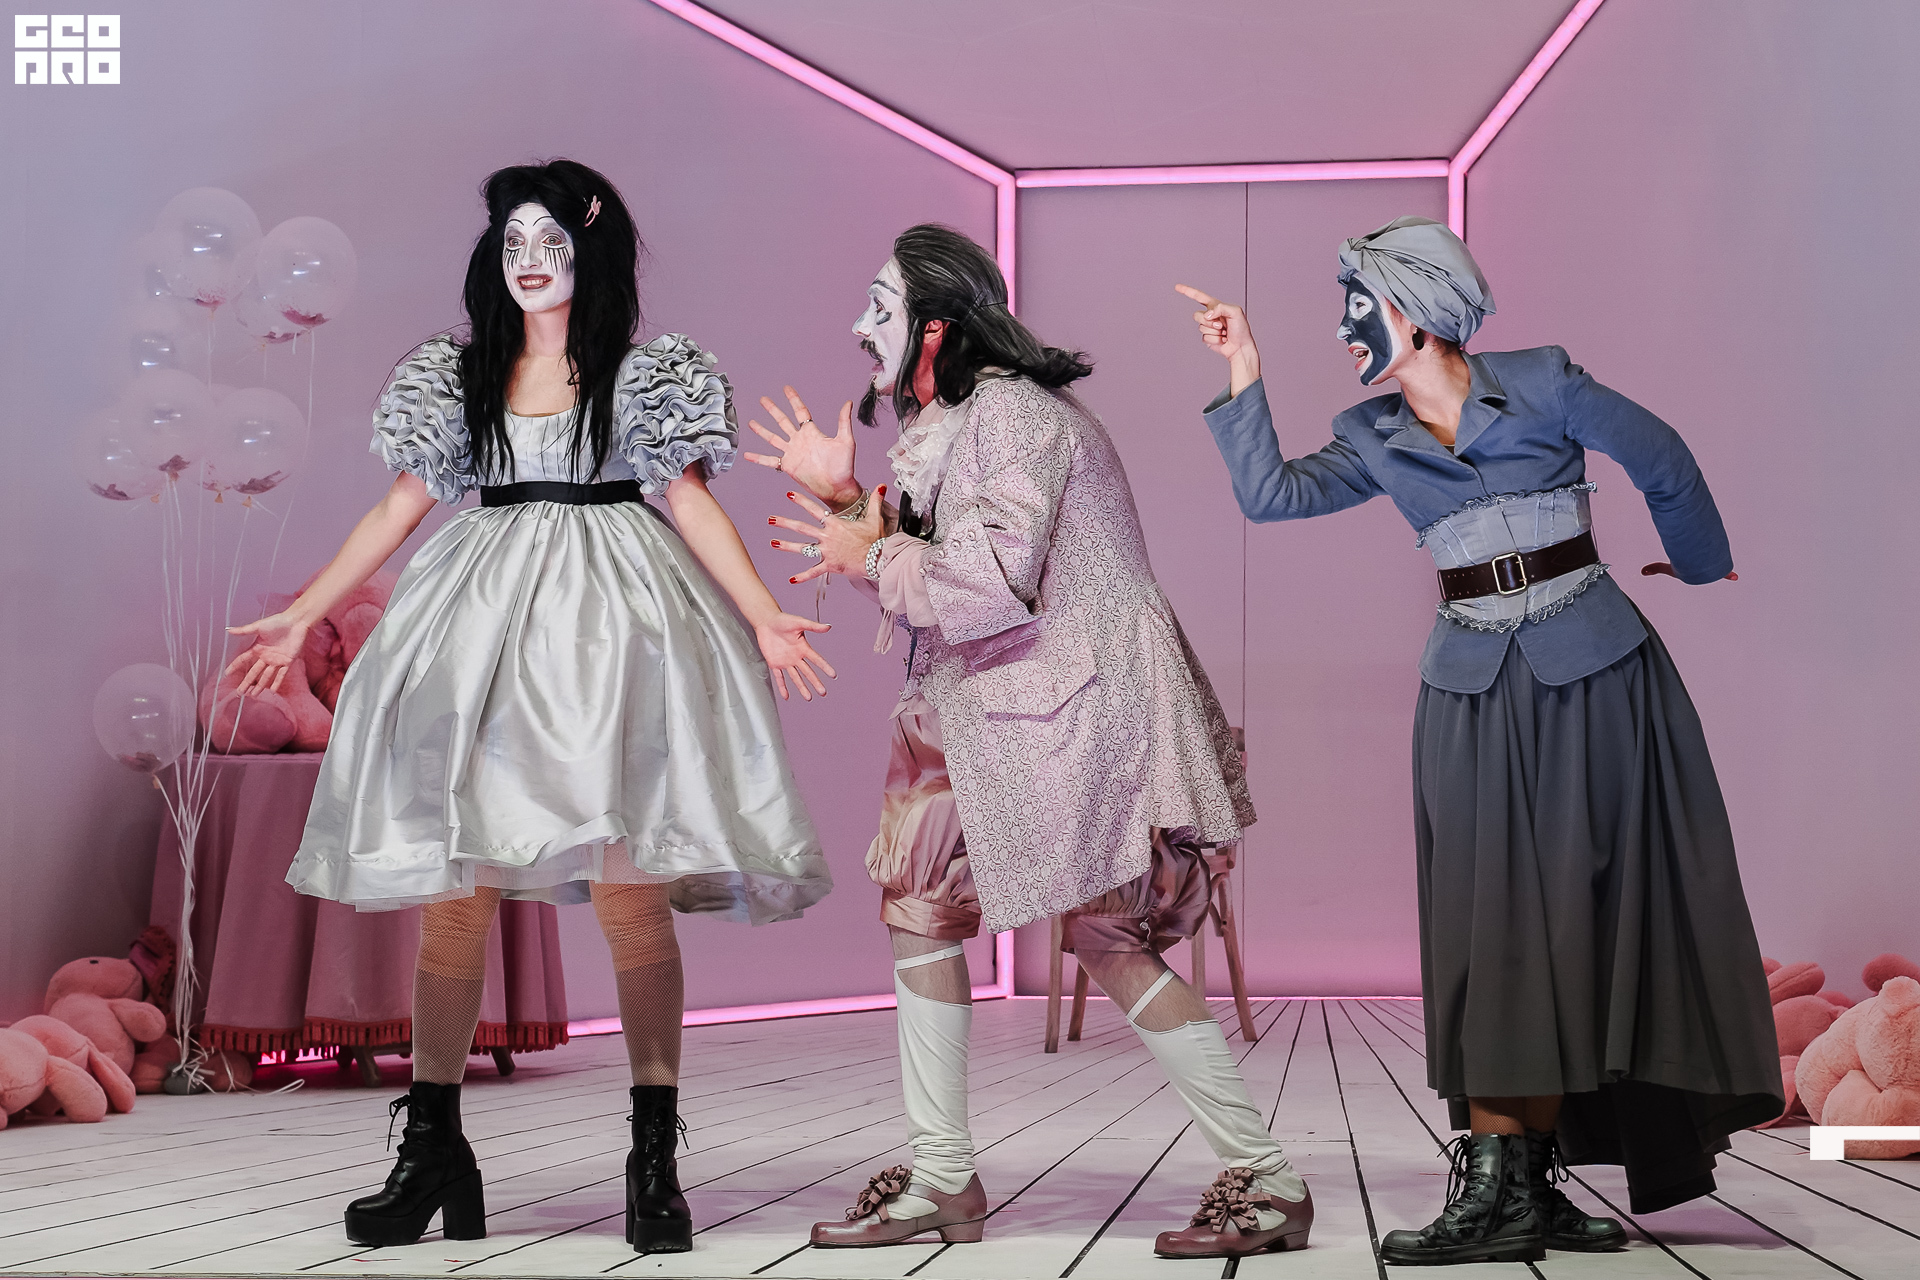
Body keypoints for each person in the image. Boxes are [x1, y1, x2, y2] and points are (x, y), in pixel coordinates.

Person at [225, 160, 834, 1255]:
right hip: (484, 626)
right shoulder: (462, 374)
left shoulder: (641, 376)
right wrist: (305, 612)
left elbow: (688, 499)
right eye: (513, 243)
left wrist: (763, 616)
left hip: (615, 628)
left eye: (550, 241)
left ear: (590, 250)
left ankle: (654, 1154)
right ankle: (432, 1149)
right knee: (458, 890)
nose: (530, 260)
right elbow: (401, 505)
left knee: (630, 890)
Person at [1178, 216, 1780, 1266]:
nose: (1344, 328)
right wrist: (1244, 369)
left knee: (1591, 912)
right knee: (1488, 919)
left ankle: (1522, 1185)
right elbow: (1271, 497)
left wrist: (1696, 561)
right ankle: (1508, 1178)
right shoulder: (1374, 433)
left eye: (1358, 305)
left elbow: (1663, 458)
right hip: (1470, 691)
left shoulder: (1544, 381)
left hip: (1598, 675)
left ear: (1414, 310)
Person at [748, 223, 1312, 1260]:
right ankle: (941, 1175)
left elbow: (986, 581)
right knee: (920, 908)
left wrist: (864, 544)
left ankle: (1269, 1177)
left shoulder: (1013, 413)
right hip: (979, 702)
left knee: (1106, 934)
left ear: (933, 327)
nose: (858, 325)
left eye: (880, 305)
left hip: (1065, 706)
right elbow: (934, 572)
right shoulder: (956, 418)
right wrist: (848, 504)